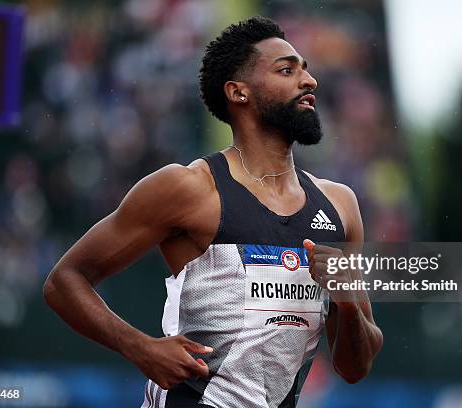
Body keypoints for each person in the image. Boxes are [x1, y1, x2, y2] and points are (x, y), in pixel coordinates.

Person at [43, 16, 383, 408]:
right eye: (287, 70)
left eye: (306, 71)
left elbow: (355, 367)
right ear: (239, 93)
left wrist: (348, 302)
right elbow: (65, 281)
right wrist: (141, 349)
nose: (309, 81)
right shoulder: (189, 189)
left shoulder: (340, 206)